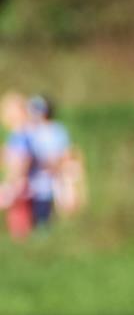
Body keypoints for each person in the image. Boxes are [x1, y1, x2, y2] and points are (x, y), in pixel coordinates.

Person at [24, 95, 71, 230]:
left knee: (53, 210)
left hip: (55, 178)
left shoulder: (57, 130)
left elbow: (65, 153)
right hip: (34, 179)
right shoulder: (30, 130)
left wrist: (53, 164)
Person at [1, 91, 34, 239]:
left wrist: (14, 179)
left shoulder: (20, 134)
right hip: (19, 178)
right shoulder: (21, 133)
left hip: (19, 179)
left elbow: (22, 158)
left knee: (18, 214)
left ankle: (21, 240)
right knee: (18, 213)